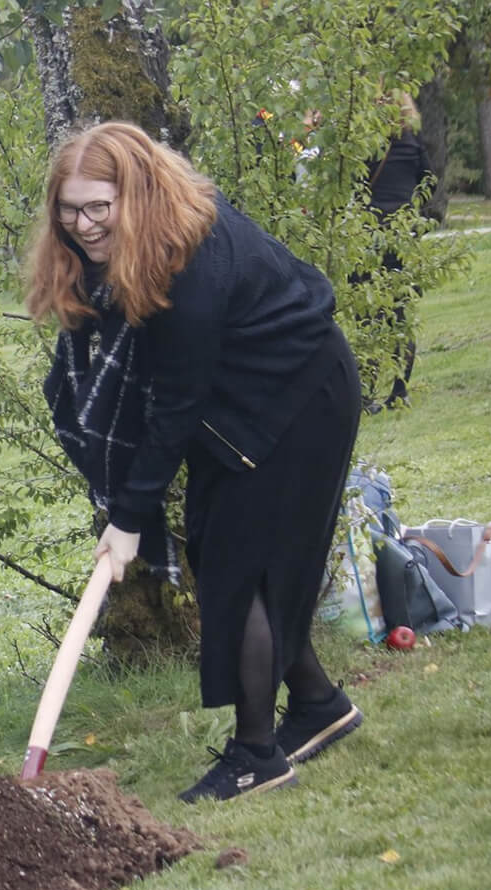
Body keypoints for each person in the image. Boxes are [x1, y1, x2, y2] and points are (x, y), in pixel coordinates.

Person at [26, 121, 365, 804]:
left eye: (99, 207)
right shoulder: (129, 247)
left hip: (298, 400)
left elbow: (172, 409)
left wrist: (128, 518)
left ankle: (255, 754)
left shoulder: (190, 265)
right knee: (219, 557)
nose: (83, 225)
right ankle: (319, 704)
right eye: (69, 209)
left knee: (240, 569)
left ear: (137, 193)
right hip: (240, 406)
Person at [364, 92, 432, 408]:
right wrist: (414, 208)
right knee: (400, 314)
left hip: (370, 232)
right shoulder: (412, 142)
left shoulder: (368, 145)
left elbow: (356, 184)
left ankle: (365, 389)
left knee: (368, 313)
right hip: (403, 233)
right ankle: (399, 390)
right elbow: (429, 179)